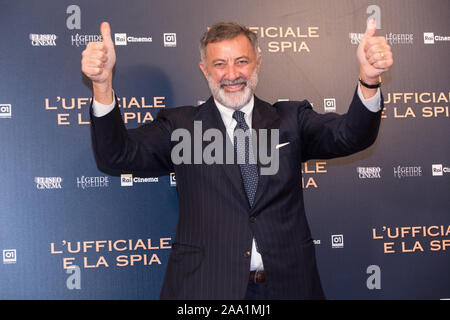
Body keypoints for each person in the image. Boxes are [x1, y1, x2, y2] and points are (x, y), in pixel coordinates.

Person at [82, 20, 393, 299]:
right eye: (219, 64)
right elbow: (116, 155)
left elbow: (351, 135)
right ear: (204, 69)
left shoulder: (290, 119)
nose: (231, 75)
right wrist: (102, 85)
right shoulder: (180, 127)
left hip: (289, 286)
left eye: (241, 61)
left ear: (257, 62)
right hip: (206, 288)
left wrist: (368, 80)